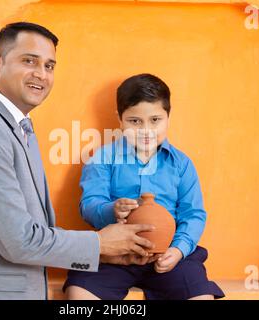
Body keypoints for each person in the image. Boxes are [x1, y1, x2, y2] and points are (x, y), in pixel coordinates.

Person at [0, 22, 155, 300]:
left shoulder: (16, 127)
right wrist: (100, 243)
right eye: (29, 61)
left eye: (49, 66)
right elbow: (20, 241)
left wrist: (107, 254)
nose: (41, 74)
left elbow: (37, 232)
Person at [64, 74, 225, 300]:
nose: (146, 130)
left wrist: (178, 250)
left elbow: (193, 214)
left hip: (168, 256)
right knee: (79, 293)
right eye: (135, 121)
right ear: (119, 119)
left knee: (200, 296)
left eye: (155, 120)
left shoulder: (181, 164)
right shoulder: (102, 159)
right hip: (115, 255)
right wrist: (112, 210)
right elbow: (89, 205)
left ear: (168, 117)